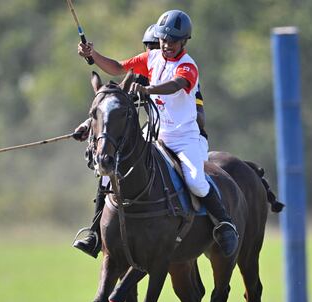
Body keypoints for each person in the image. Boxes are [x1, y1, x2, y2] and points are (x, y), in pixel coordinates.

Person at [74, 10, 237, 258]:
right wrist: (93, 55)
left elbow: (175, 86)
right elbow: (118, 68)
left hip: (185, 138)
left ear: (184, 41)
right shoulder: (151, 58)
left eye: (173, 40)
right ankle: (96, 234)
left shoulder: (187, 66)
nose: (166, 44)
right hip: (157, 135)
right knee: (110, 175)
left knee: (195, 180)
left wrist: (148, 89)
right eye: (163, 39)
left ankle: (224, 223)